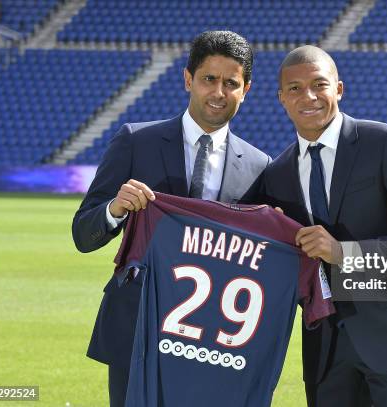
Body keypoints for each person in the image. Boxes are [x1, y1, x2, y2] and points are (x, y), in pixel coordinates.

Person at [71, 31, 270, 407]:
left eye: (231, 83)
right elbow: (83, 233)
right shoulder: (135, 141)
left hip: (215, 337)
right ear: (187, 79)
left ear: (246, 89)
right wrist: (114, 209)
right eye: (209, 79)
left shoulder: (259, 167)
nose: (218, 92)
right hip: (138, 330)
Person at [255, 45, 387, 406]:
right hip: (324, 350)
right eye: (294, 88)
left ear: (339, 89)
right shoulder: (277, 174)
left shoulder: (386, 143)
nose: (308, 96)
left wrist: (344, 253)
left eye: (319, 84)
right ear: (281, 98)